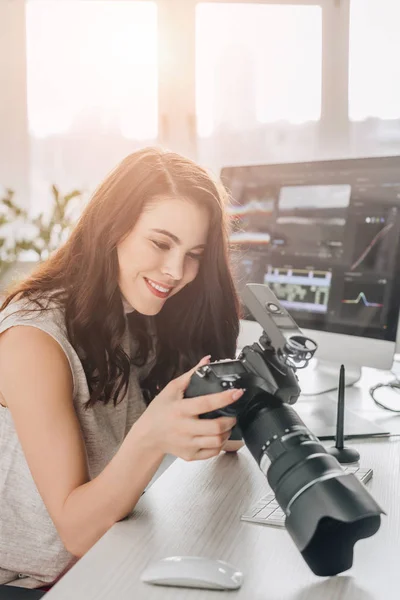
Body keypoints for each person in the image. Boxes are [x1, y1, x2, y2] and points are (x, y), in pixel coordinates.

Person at [0, 147, 244, 590]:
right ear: (112, 228)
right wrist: (152, 436)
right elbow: (75, 532)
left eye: (194, 254)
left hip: (110, 557)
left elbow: (224, 439)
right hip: (35, 584)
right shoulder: (32, 341)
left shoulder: (137, 314)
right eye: (160, 243)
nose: (176, 272)